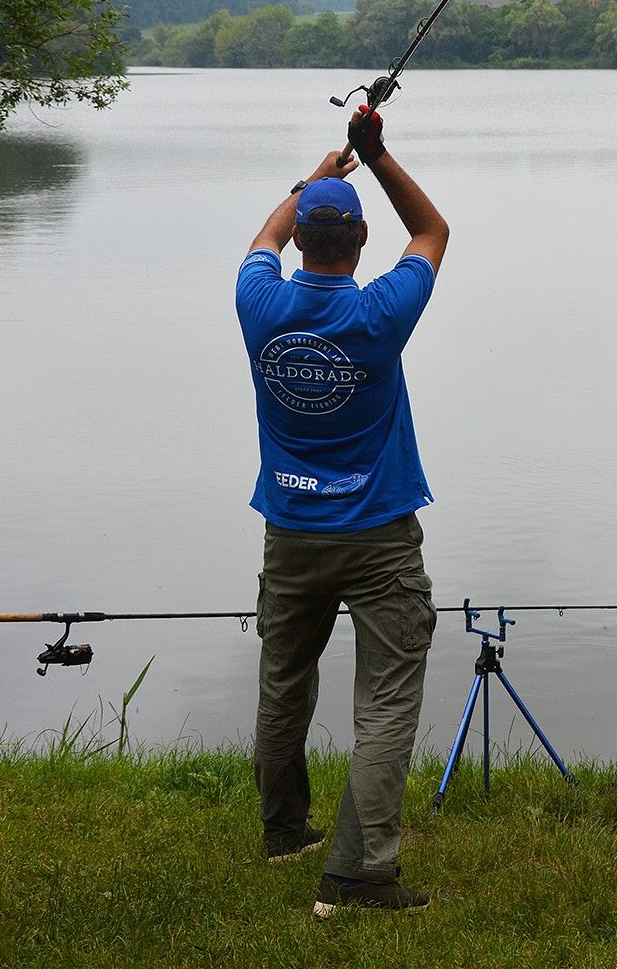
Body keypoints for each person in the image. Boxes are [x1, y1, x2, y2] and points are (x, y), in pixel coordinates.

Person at [235, 106, 448, 915]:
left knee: (283, 683)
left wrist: (316, 179)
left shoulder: (258, 301)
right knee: (386, 699)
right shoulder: (378, 312)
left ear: (302, 240)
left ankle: (284, 831)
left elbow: (263, 237)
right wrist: (377, 157)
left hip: (288, 530)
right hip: (378, 536)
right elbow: (430, 232)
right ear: (359, 247)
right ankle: (359, 875)